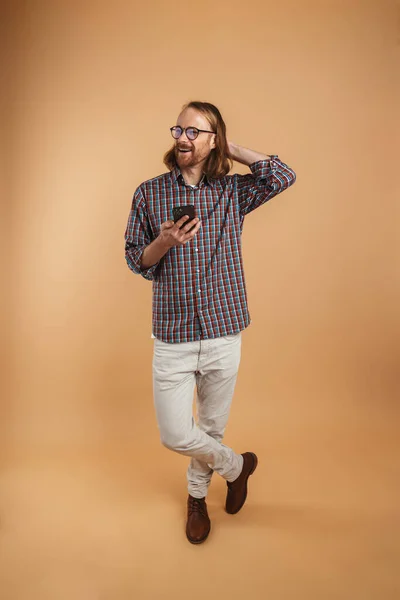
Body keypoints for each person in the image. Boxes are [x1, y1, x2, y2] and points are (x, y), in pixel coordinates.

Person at [124, 101, 296, 544]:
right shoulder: (149, 192)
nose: (182, 137)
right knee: (177, 433)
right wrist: (162, 241)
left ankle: (197, 497)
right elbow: (135, 260)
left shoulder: (231, 192)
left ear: (212, 139)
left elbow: (282, 175)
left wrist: (228, 148)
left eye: (195, 132)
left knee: (211, 429)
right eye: (178, 129)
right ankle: (238, 468)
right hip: (174, 335)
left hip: (223, 329)